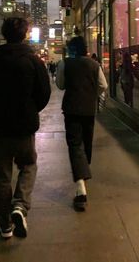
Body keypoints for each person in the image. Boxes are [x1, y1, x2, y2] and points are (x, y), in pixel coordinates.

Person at [0, 17, 51, 240]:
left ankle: (5, 225)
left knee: (2, 176)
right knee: (29, 165)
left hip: (0, 127)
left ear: (3, 33)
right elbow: (44, 93)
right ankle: (20, 205)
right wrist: (31, 109)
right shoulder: (32, 60)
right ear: (25, 34)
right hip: (24, 126)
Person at [56, 36, 107, 211]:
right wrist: (92, 94)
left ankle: (80, 186)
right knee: (86, 142)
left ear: (72, 49)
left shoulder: (65, 64)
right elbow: (103, 85)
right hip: (88, 109)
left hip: (71, 109)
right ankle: (83, 174)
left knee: (74, 144)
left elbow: (60, 85)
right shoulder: (94, 65)